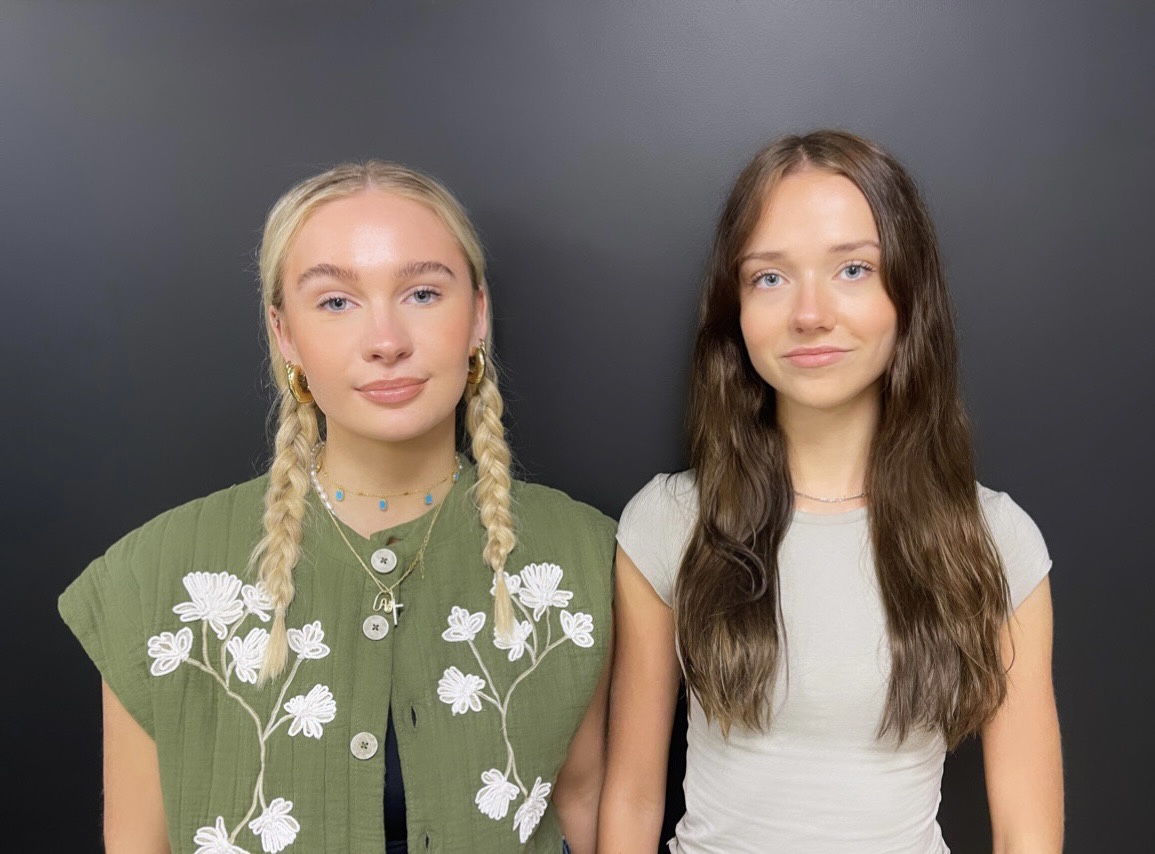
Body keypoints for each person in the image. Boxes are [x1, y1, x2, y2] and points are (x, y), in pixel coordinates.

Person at [59, 161, 614, 854]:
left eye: (420, 293)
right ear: (284, 332)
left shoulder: (584, 555)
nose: (386, 341)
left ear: (477, 315)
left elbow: (584, 804)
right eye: (335, 302)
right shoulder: (155, 575)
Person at [598, 129, 1063, 853]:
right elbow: (628, 796)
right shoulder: (668, 521)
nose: (809, 314)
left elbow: (1028, 832)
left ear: (908, 294)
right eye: (770, 278)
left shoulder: (996, 540)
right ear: (735, 311)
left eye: (852, 269)